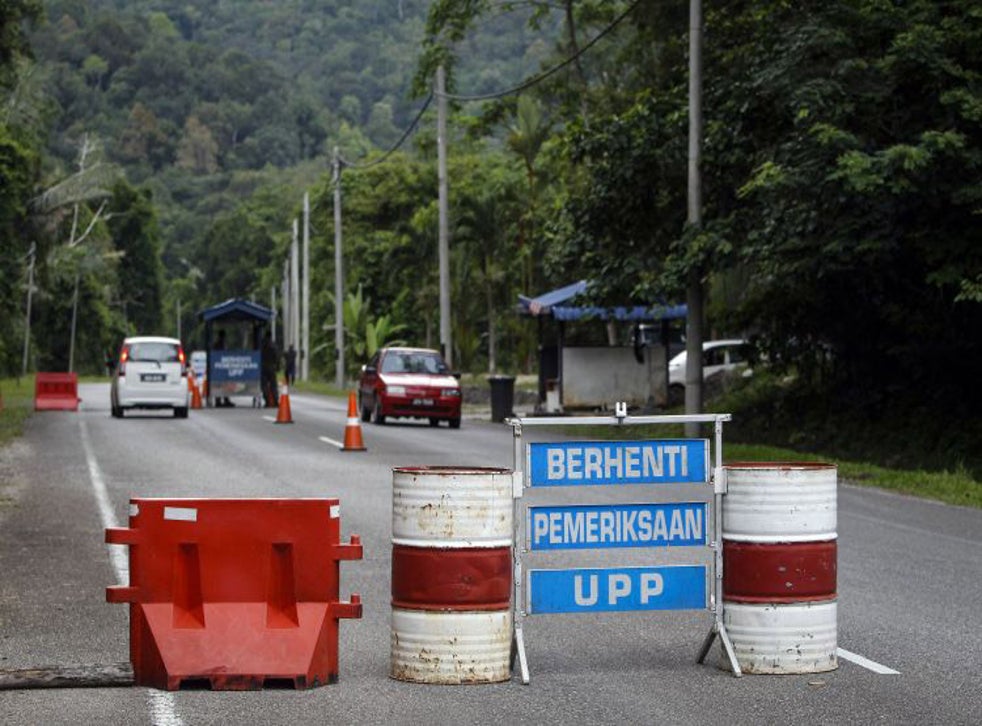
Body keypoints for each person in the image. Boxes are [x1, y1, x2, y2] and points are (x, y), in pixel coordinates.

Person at [214, 329, 233, 407]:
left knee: (224, 383)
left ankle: (224, 399)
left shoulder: (218, 343)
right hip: (221, 366)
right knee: (221, 383)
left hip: (221, 366)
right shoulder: (219, 344)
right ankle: (220, 400)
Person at [261, 332, 279, 408]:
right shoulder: (273, 345)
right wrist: (277, 366)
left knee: (264, 385)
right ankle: (275, 401)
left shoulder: (262, 345)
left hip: (263, 367)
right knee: (273, 385)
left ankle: (267, 401)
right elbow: (277, 357)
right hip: (272, 367)